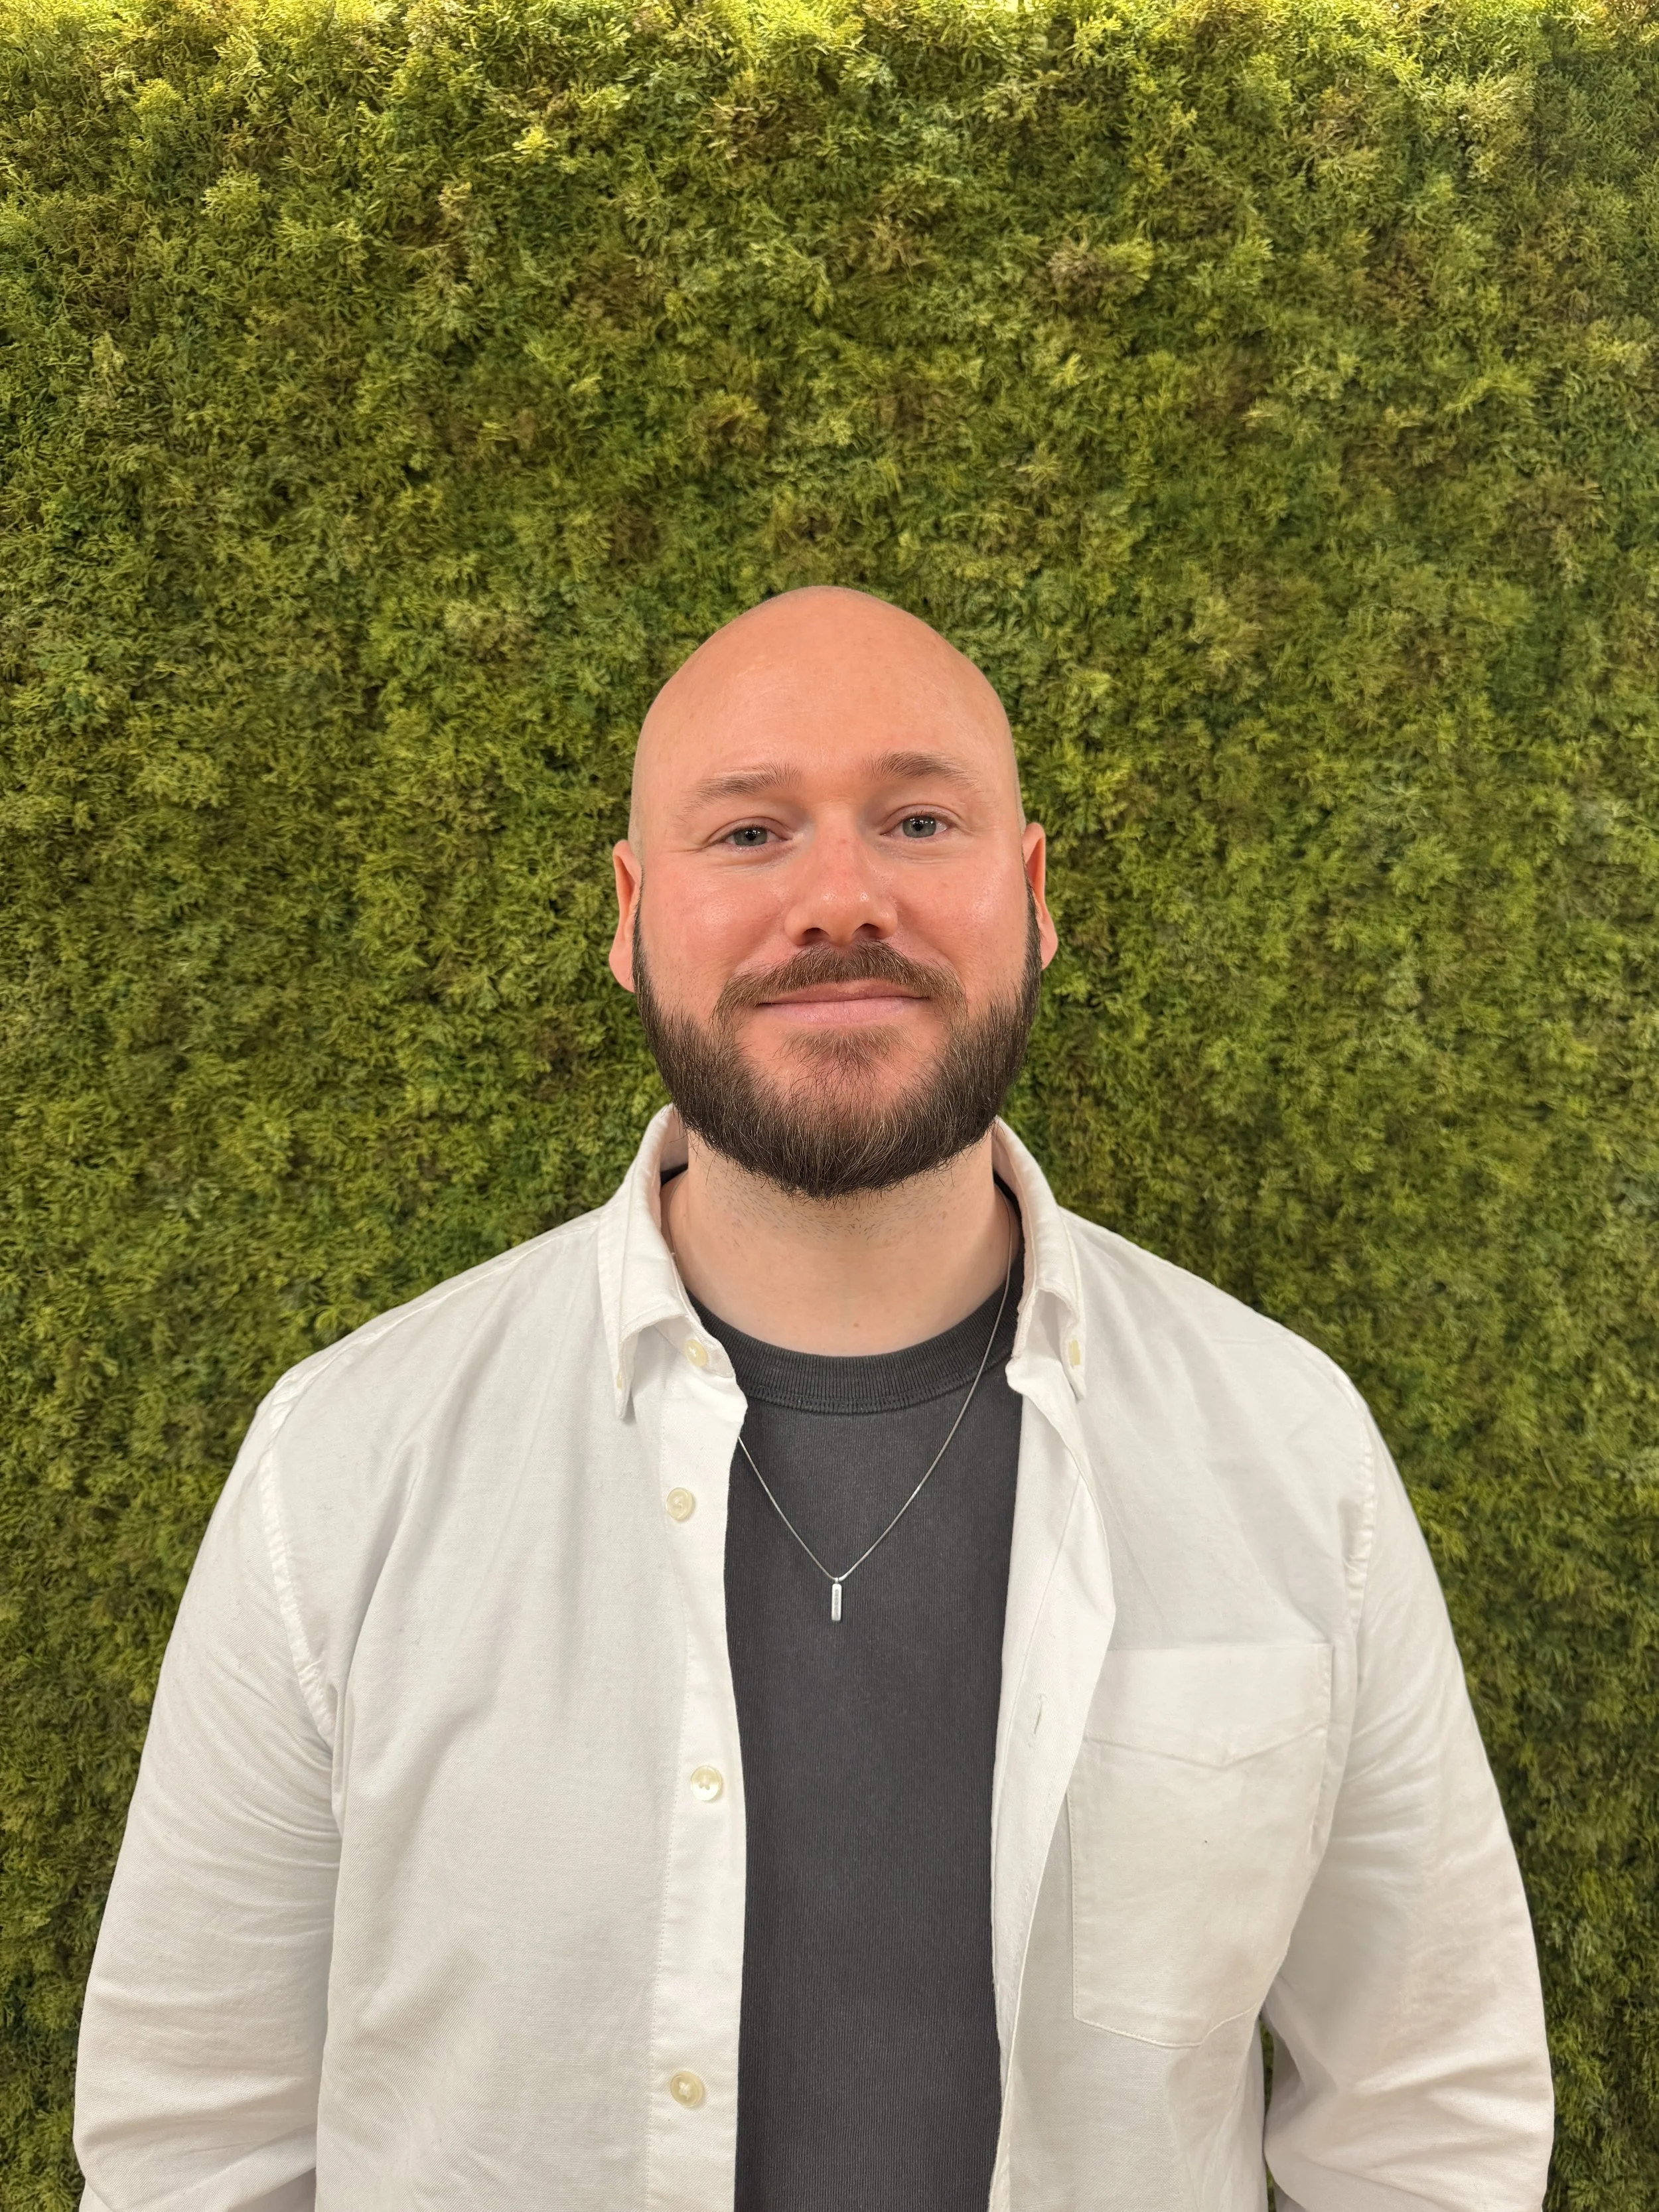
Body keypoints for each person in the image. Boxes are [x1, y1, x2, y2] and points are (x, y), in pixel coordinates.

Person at [74, 587, 1553, 2211]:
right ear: (632, 914)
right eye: (749, 833)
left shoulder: (1286, 1449)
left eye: (918, 819)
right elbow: (195, 2143)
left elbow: (1422, 2116)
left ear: (1033, 892)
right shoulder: (346, 1467)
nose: (840, 897)